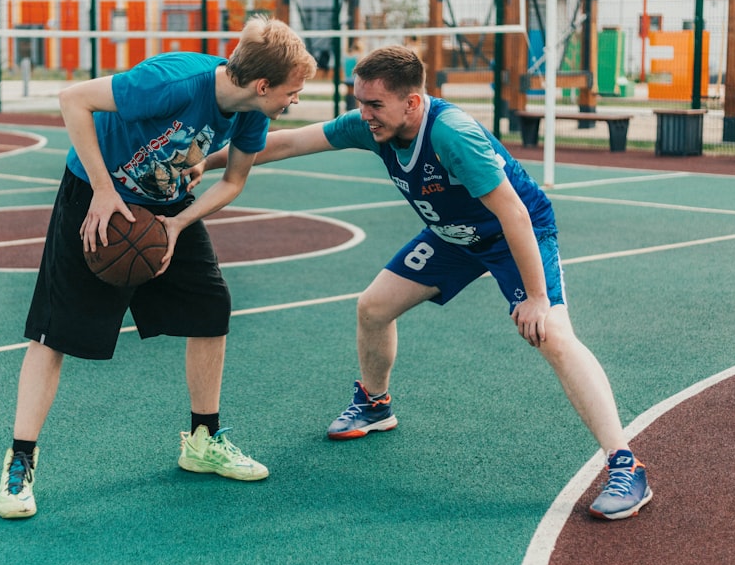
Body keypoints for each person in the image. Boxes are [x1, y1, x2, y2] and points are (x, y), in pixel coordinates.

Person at [200, 45, 652, 521]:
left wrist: (537, 298)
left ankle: (626, 464)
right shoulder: (370, 124)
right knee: (373, 308)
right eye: (359, 102)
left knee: (554, 336)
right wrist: (205, 164)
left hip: (511, 233)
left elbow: (515, 214)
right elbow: (286, 143)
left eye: (375, 105)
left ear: (412, 103)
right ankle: (375, 404)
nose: (364, 114)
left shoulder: (453, 136)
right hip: (451, 235)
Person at [0, 16, 317, 519]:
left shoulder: (252, 114)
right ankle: (20, 463)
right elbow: (73, 99)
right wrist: (102, 190)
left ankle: (203, 440)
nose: (295, 100)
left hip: (164, 205)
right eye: (292, 92)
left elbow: (232, 182)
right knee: (54, 334)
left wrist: (177, 224)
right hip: (96, 195)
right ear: (262, 84)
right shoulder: (170, 82)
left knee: (212, 307)